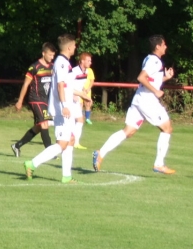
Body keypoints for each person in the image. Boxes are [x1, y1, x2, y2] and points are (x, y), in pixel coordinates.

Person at [93, 35, 176, 175]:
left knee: (128, 131)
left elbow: (150, 79)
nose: (165, 47)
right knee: (167, 128)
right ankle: (159, 164)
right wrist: (156, 91)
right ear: (158, 46)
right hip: (147, 100)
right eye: (164, 44)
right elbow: (141, 77)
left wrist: (165, 78)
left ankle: (100, 153)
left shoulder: (149, 59)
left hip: (139, 98)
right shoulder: (155, 61)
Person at [23, 34, 78, 183]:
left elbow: (66, 86)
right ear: (69, 47)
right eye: (74, 45)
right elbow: (60, 86)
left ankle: (66, 176)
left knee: (70, 140)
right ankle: (32, 163)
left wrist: (77, 96)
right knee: (62, 144)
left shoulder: (63, 62)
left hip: (65, 108)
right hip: (62, 110)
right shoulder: (61, 62)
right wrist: (64, 106)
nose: (75, 47)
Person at [11, 42, 56, 157]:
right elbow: (26, 84)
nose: (52, 57)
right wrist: (20, 101)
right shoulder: (34, 67)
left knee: (38, 127)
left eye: (53, 55)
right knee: (44, 124)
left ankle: (17, 145)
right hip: (35, 98)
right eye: (50, 55)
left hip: (46, 100)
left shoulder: (52, 67)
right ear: (43, 53)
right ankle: (50, 153)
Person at [70, 52, 93, 150]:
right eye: (88, 61)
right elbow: (67, 85)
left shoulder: (86, 72)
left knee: (80, 120)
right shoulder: (74, 71)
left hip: (77, 99)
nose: (90, 62)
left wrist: (86, 98)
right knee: (72, 121)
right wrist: (73, 95)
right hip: (70, 99)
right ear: (82, 61)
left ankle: (75, 142)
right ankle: (72, 141)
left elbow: (81, 87)